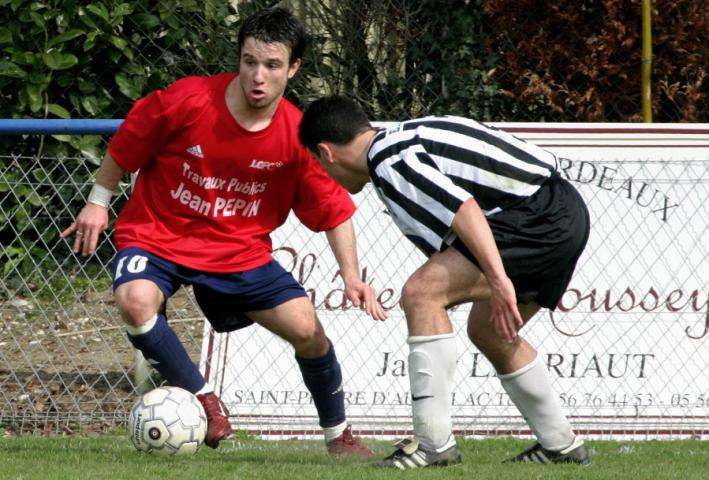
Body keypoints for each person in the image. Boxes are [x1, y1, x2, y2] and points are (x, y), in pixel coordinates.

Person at [60, 9, 385, 456]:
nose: (258, 75)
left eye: (272, 66)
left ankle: (340, 437)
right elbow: (127, 144)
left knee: (308, 331)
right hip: (157, 235)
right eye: (249, 61)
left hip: (238, 252)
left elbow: (332, 210)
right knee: (135, 301)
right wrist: (97, 203)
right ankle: (205, 401)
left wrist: (351, 275)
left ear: (293, 69)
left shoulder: (296, 134)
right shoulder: (187, 100)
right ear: (239, 58)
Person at [298, 96, 592, 468]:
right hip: (559, 211)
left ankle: (433, 445)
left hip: (535, 218)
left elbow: (464, 209)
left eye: (318, 165)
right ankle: (561, 446)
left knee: (421, 294)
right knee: (488, 331)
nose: (327, 177)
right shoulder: (397, 141)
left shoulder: (389, 159)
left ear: (325, 153)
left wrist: (499, 281)